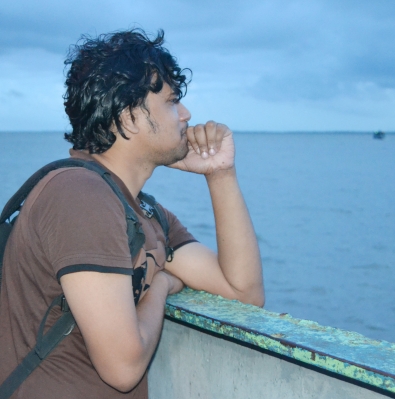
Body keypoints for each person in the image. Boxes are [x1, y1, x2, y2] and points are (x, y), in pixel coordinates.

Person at [0, 29, 264, 398]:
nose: (186, 114)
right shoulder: (78, 196)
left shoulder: (145, 213)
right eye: (172, 102)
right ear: (129, 118)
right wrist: (161, 285)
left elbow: (243, 291)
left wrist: (221, 174)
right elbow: (122, 369)